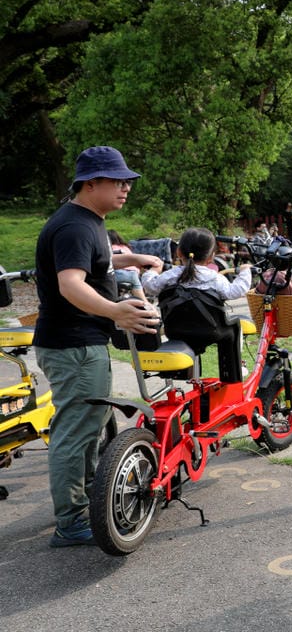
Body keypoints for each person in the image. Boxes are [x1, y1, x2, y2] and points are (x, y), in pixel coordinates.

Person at [34, 146, 162, 547]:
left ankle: (88, 499)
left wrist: (134, 258)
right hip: (74, 344)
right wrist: (115, 312)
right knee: (75, 432)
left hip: (80, 343)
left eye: (127, 181)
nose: (126, 188)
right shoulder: (75, 226)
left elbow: (97, 264)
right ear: (90, 184)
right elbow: (70, 283)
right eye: (117, 181)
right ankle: (71, 522)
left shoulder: (89, 223)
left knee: (87, 428)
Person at [141, 227, 252, 382]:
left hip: (176, 330)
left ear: (179, 252)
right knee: (235, 327)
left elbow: (150, 286)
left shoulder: (170, 276)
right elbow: (235, 291)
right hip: (211, 332)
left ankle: (187, 375)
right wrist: (245, 272)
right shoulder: (214, 278)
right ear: (211, 257)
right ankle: (234, 369)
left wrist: (152, 271)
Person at [107, 230, 151, 302]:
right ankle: (150, 310)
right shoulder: (126, 247)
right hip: (133, 275)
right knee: (143, 301)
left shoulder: (108, 248)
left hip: (118, 274)